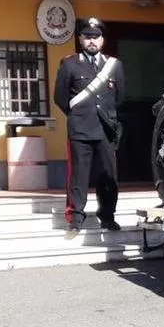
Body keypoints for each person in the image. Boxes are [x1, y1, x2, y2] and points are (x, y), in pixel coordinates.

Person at [53, 17, 125, 236]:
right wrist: (78, 115)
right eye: (87, 36)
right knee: (78, 176)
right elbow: (60, 97)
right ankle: (75, 219)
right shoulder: (69, 64)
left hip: (105, 129)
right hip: (80, 130)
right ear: (80, 39)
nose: (92, 40)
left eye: (96, 37)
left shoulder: (114, 65)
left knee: (108, 177)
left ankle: (108, 216)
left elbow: (119, 97)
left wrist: (105, 116)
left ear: (102, 40)